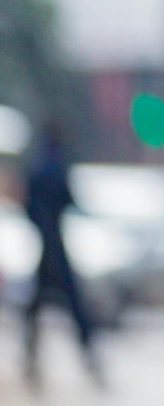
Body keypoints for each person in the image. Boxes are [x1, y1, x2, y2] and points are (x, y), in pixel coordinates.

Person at [20, 123, 103, 391]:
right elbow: (68, 201)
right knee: (70, 309)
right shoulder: (54, 167)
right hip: (53, 249)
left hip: (48, 247)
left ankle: (33, 362)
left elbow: (30, 206)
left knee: (38, 310)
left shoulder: (40, 166)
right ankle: (87, 362)